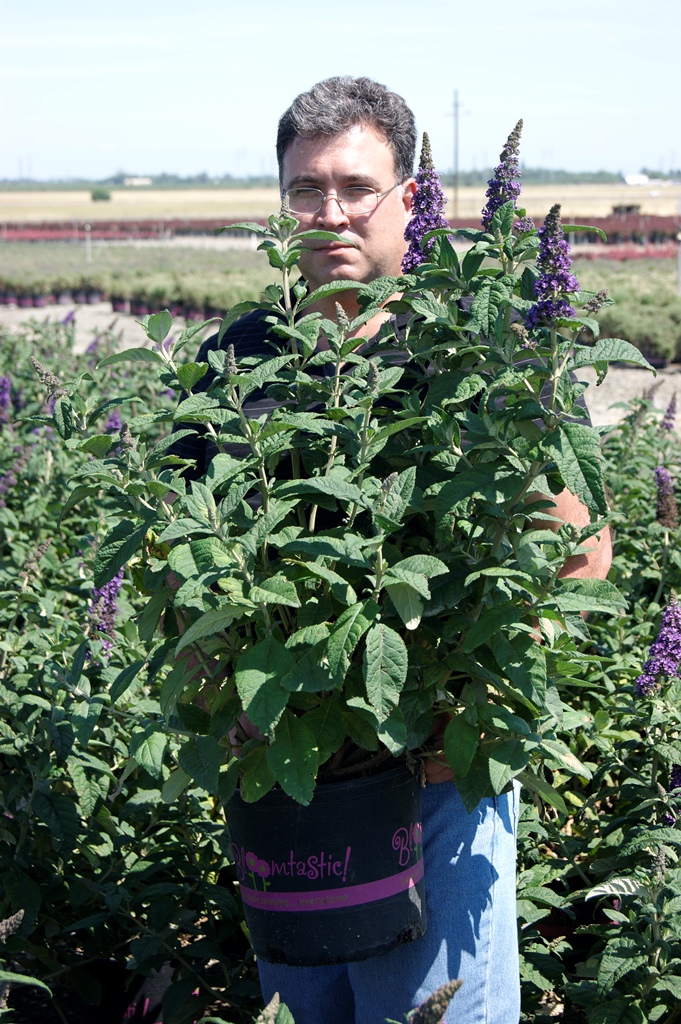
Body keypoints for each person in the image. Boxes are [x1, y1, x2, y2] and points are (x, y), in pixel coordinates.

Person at [175, 76, 612, 1024]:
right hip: (292, 778)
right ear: (281, 200)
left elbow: (584, 554)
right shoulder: (235, 356)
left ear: (408, 198)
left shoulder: (479, 347)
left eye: (354, 186)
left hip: (438, 782)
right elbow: (182, 571)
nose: (328, 212)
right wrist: (225, 700)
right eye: (304, 189)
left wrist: (483, 703)